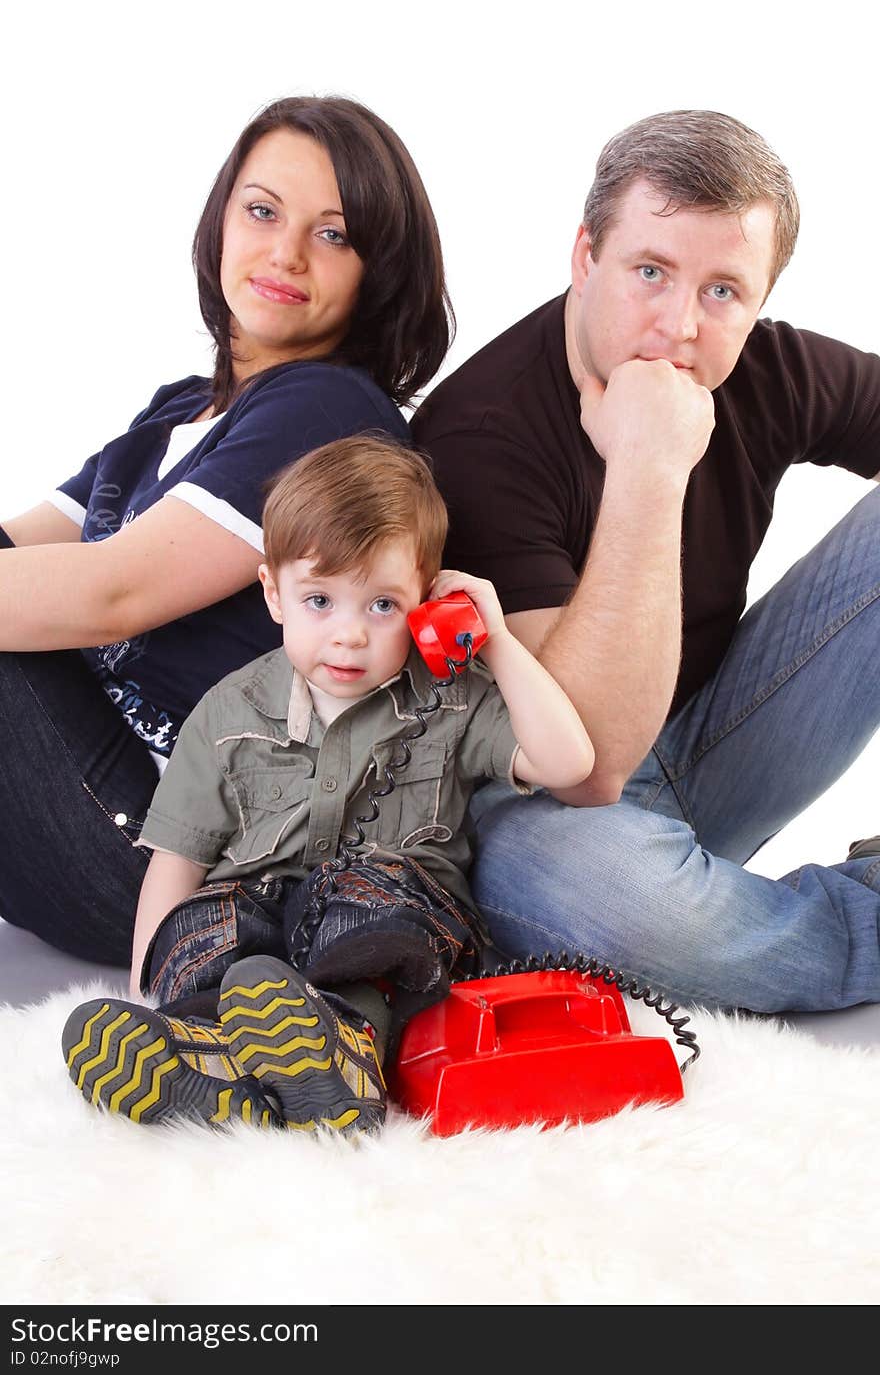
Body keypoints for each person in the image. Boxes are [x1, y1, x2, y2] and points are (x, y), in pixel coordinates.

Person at [412, 109, 880, 1016]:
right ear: (585, 255)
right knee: (598, 897)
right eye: (651, 271)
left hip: (708, 744)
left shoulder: (765, 369)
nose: (678, 327)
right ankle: (844, 927)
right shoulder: (478, 437)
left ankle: (730, 922)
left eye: (723, 292)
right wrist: (648, 469)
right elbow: (588, 768)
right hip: (545, 814)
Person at [0, 95, 453, 969]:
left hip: (170, 858)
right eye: (262, 211)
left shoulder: (326, 410)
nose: (284, 252)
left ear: (377, 271)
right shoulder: (179, 410)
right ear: (221, 222)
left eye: (333, 234)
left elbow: (108, 594)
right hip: (84, 799)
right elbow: (21, 546)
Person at [62, 436, 594, 1134]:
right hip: (255, 931)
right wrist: (148, 991)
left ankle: (343, 1054)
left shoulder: (453, 696)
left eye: (381, 606)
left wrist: (492, 637)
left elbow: (569, 763)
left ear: (430, 599)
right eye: (320, 600)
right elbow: (178, 860)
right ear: (273, 594)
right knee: (211, 926)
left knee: (359, 912)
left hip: (383, 923)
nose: (348, 637)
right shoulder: (228, 712)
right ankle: (203, 1050)